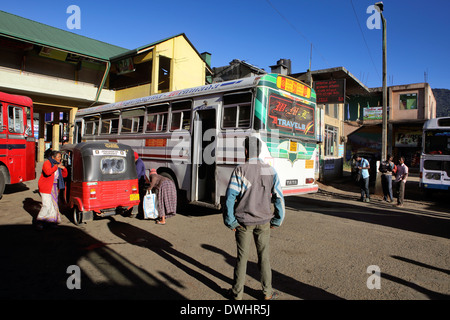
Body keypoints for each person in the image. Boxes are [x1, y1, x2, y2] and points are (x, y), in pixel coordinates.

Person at [223, 136, 285, 300]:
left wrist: (230, 221)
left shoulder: (240, 169)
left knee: (242, 258)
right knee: (264, 257)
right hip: (264, 222)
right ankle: (267, 293)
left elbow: (230, 197)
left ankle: (237, 294)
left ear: (245, 151)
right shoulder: (270, 170)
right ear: (259, 151)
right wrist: (277, 219)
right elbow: (279, 197)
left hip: (243, 223)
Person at [35, 150, 68, 230]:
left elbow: (64, 175)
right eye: (58, 157)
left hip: (55, 187)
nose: (60, 159)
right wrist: (56, 167)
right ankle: (39, 221)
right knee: (47, 205)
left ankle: (51, 221)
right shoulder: (47, 163)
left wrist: (63, 168)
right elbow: (48, 172)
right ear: (53, 157)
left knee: (53, 205)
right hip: (46, 187)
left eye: (60, 157)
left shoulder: (58, 164)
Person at [134, 152, 147, 216]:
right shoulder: (138, 161)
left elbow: (137, 174)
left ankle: (138, 211)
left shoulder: (139, 163)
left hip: (140, 182)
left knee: (138, 196)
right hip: (139, 181)